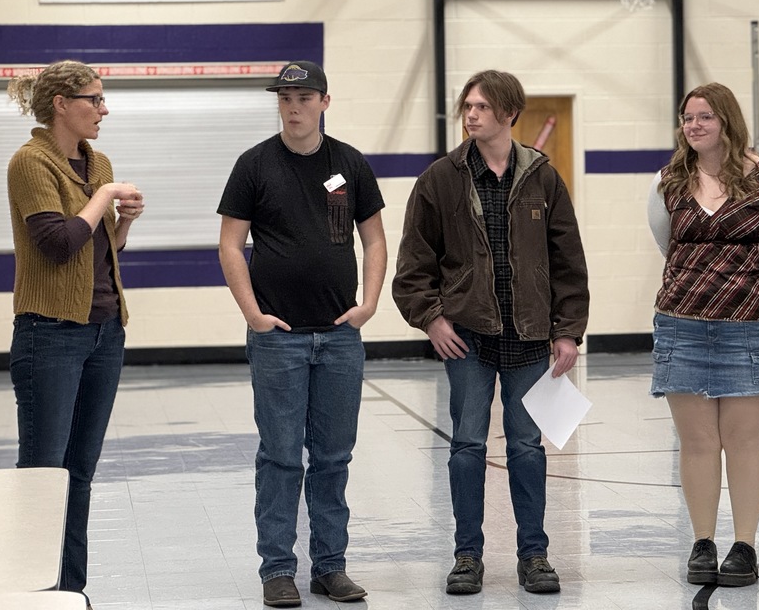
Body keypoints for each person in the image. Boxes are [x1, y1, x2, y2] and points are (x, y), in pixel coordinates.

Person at [392, 69, 589, 596]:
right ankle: (467, 556)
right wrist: (431, 318)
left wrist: (567, 331)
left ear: (508, 113)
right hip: (469, 339)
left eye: (481, 106)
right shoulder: (441, 178)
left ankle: (534, 555)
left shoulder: (543, 177)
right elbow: (414, 261)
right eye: (467, 106)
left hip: (529, 340)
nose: (471, 114)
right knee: (467, 446)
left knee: (528, 447)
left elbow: (568, 261)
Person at [217, 60, 387, 608]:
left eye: (304, 98)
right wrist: (252, 314)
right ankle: (278, 569)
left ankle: (330, 568)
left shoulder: (350, 165)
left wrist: (368, 304)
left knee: (334, 457)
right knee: (282, 456)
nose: (293, 107)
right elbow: (229, 245)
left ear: (324, 103)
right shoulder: (254, 165)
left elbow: (375, 239)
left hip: (339, 338)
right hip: (278, 339)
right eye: (285, 99)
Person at [6, 60, 144, 608]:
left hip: (105, 332)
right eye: (95, 99)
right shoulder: (30, 162)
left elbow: (99, 249)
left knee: (80, 470)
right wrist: (104, 195)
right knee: (44, 472)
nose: (103, 109)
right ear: (62, 103)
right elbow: (59, 245)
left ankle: (69, 590)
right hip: (49, 336)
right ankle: (29, 589)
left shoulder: (98, 161)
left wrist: (124, 220)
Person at [646, 82, 759, 587]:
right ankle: (703, 541)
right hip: (682, 325)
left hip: (751, 328)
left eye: (705, 116)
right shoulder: (668, 181)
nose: (695, 125)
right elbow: (668, 245)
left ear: (728, 121)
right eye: (688, 118)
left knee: (745, 439)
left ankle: (745, 545)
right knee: (698, 441)